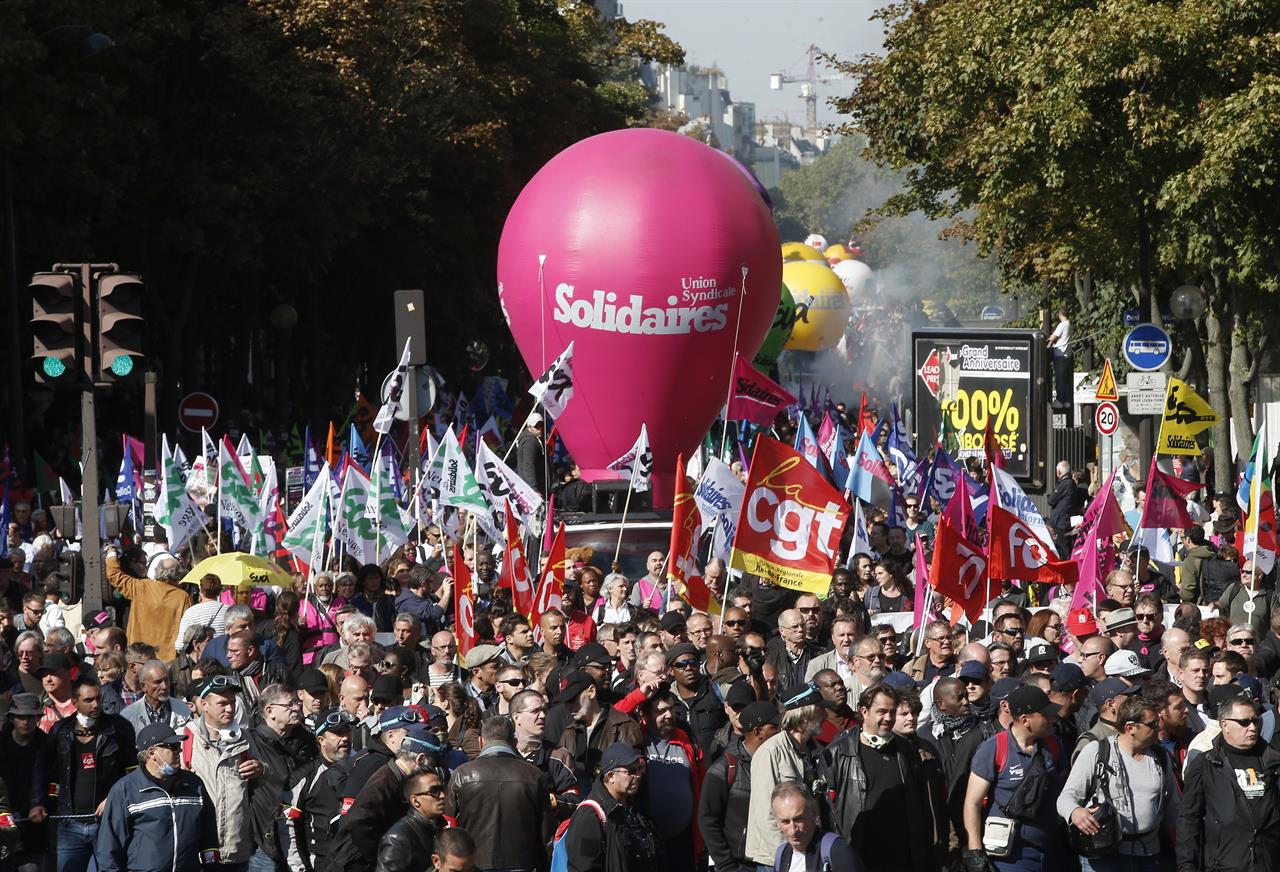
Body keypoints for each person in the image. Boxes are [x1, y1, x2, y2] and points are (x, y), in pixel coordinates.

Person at [819, 683, 938, 871]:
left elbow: (921, 807)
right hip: (858, 855)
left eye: (892, 712)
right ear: (864, 711)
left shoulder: (907, 751)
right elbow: (827, 812)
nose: (888, 718)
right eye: (881, 711)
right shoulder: (838, 753)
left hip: (902, 857)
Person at [1058, 694, 1179, 870]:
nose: (1158, 727)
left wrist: (1182, 849)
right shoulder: (1097, 751)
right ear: (1130, 727)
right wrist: (1075, 812)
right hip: (1103, 855)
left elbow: (1173, 809)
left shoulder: (1160, 757)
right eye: (1152, 725)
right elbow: (1066, 797)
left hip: (1148, 855)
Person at [962, 685, 1066, 872]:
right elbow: (972, 802)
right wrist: (975, 852)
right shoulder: (994, 748)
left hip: (1051, 852)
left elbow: (1065, 786)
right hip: (1009, 857)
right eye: (1045, 715)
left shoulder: (1053, 744)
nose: (1052, 719)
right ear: (1026, 720)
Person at [94, 722, 220, 872]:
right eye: (172, 747)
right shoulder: (125, 790)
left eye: (178, 746)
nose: (179, 750)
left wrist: (213, 867)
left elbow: (209, 836)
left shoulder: (194, 784)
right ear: (152, 753)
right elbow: (109, 848)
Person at [1178, 692, 1280, 871]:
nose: (1252, 728)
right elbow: (1189, 820)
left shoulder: (1273, 762)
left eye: (1255, 721)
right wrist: (1187, 865)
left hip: (1267, 863)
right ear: (1224, 725)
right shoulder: (1206, 764)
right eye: (1244, 722)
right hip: (1224, 864)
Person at [48, 677, 138, 872]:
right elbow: (48, 773)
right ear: (74, 703)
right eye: (88, 700)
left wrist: (113, 799)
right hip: (69, 824)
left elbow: (133, 774)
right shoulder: (60, 731)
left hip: (107, 823)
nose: (96, 704)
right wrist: (43, 803)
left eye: (98, 698)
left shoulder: (119, 728)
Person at [444, 715, 554, 871]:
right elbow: (546, 833)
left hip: (473, 865)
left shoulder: (461, 774)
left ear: (481, 741)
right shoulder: (534, 775)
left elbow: (449, 828)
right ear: (514, 743)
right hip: (523, 865)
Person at [183, 675, 265, 869]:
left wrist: (260, 769)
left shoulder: (244, 737)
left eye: (232, 703)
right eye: (222, 703)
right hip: (200, 846)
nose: (230, 709)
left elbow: (266, 776)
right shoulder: (185, 737)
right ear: (204, 704)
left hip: (237, 845)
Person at [699, 701, 780, 872]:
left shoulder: (777, 761)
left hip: (773, 860)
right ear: (758, 732)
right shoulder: (722, 769)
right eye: (775, 727)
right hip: (739, 865)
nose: (781, 733)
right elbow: (707, 820)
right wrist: (727, 865)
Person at [745, 698, 824, 870]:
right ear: (804, 716)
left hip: (808, 853)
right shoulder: (770, 752)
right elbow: (765, 814)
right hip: (777, 859)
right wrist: (786, 858)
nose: (825, 715)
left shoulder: (817, 750)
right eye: (820, 709)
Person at [561, 742, 662, 872]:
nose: (637, 776)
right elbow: (583, 867)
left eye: (639, 769)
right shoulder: (589, 816)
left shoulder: (635, 807)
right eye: (630, 771)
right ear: (611, 776)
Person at [283, 708, 358, 872]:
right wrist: (301, 869)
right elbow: (288, 827)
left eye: (347, 731)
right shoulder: (303, 777)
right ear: (321, 740)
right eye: (337, 733)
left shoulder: (361, 768)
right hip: (321, 863)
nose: (345, 737)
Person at [103, 546, 189, 661]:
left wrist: (111, 553)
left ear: (157, 570)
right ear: (179, 575)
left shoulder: (141, 586)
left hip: (138, 656)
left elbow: (114, 575)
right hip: (168, 659)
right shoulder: (182, 597)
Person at [0, 693, 49, 872]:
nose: (26, 722)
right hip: (4, 824)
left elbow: (54, 781)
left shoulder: (46, 745)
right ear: (12, 718)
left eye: (30, 716)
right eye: (21, 717)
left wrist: (42, 804)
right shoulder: (1, 744)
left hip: (34, 827)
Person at [770, 780, 860, 872]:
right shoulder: (781, 855)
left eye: (798, 819)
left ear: (813, 812)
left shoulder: (837, 851)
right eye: (785, 822)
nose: (793, 830)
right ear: (777, 822)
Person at [374, 768, 451, 872]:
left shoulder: (439, 828)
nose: (442, 795)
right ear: (415, 800)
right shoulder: (398, 839)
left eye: (442, 789)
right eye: (434, 791)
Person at [120, 660, 192, 733]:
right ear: (143, 686)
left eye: (166, 680)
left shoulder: (184, 709)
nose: (164, 686)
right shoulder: (129, 715)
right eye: (158, 682)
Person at [515, 413, 546, 493]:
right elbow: (529, 466)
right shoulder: (530, 442)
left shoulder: (534, 439)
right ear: (529, 427)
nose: (540, 429)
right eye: (536, 426)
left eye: (541, 425)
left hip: (534, 488)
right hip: (533, 491)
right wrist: (534, 489)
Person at [1047, 307, 1071, 407]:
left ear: (1060, 314)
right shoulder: (1070, 325)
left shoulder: (1062, 325)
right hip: (1067, 355)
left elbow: (1053, 337)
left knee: (1059, 378)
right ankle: (1066, 401)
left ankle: (1059, 401)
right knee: (1065, 379)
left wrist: (1048, 340)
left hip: (1059, 355)